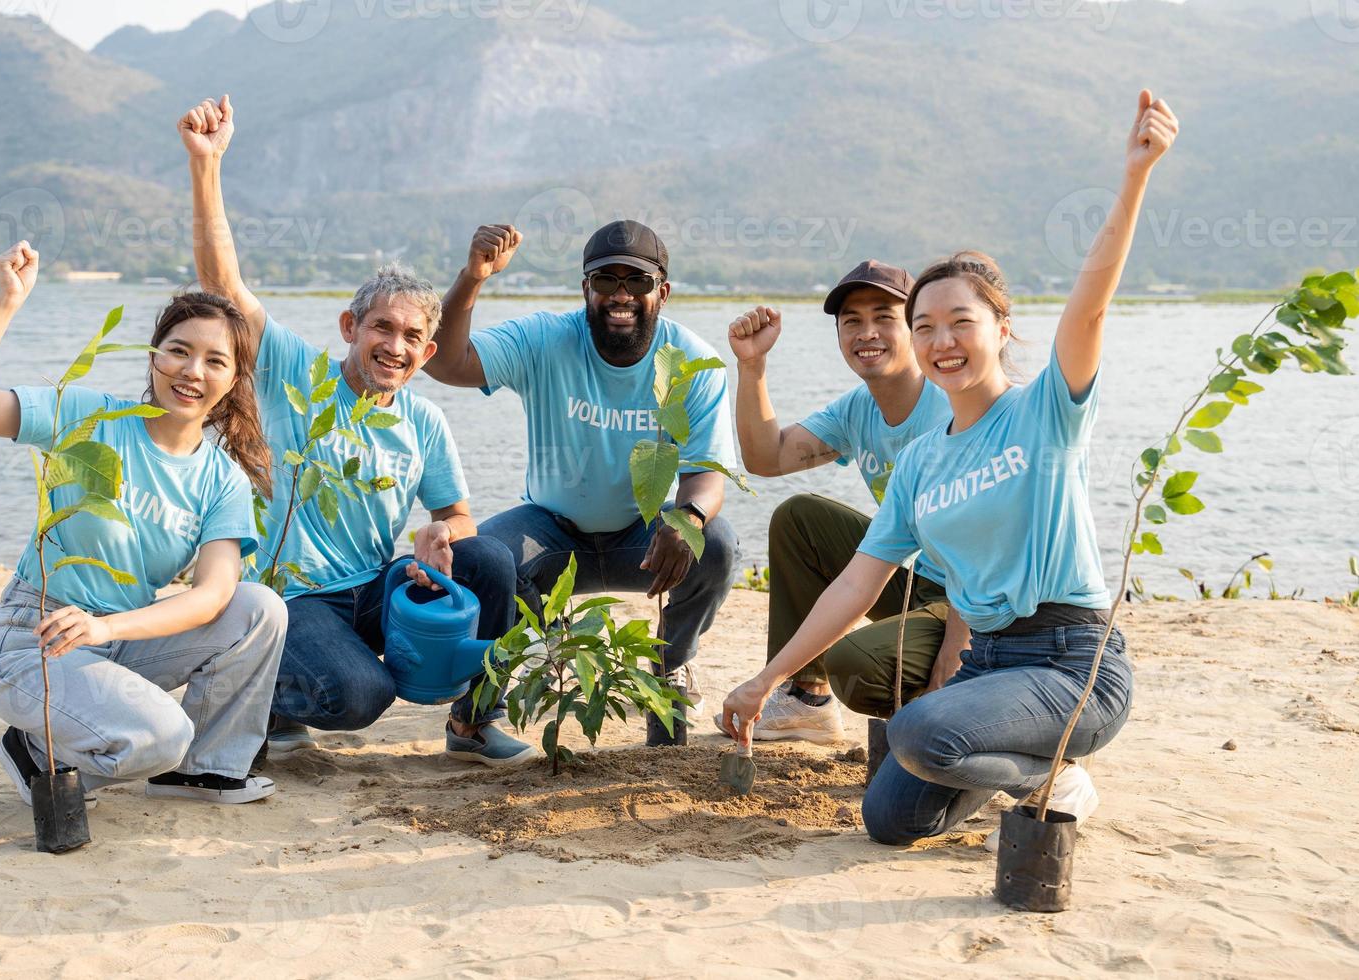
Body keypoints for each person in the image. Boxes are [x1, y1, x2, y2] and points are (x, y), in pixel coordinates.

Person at [722, 90, 1179, 844]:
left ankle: (1053, 771)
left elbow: (1090, 309)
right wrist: (766, 678)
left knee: (920, 733)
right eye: (925, 326)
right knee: (889, 820)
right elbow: (854, 584)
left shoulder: (1046, 413)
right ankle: (1013, 760)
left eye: (961, 322)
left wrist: (1134, 178)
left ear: (1001, 329)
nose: (942, 340)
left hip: (1070, 660)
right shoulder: (922, 461)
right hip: (989, 668)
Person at [180, 94, 537, 767]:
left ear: (428, 354)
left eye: (411, 337)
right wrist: (207, 165)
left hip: (377, 585)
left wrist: (442, 536)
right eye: (381, 327)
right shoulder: (295, 373)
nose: (394, 346)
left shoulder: (423, 420)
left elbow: (456, 516)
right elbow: (222, 284)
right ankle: (269, 698)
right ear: (351, 329)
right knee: (359, 698)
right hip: (297, 597)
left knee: (489, 557)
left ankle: (471, 725)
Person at [0, 242, 287, 805]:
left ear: (235, 377)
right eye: (179, 351)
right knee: (160, 735)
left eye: (215, 361)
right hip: (36, 638)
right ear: (153, 357)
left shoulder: (222, 479)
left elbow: (215, 595)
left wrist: (108, 629)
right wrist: (6, 304)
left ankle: (203, 771)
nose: (193, 372)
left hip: (118, 634)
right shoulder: (91, 418)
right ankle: (34, 752)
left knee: (260, 607)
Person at [424, 220, 740, 718]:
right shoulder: (545, 339)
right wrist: (472, 278)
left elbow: (707, 472)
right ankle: (488, 701)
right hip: (549, 531)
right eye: (605, 280)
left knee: (715, 544)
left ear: (663, 291)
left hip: (641, 540)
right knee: (480, 559)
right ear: (585, 288)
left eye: (636, 281)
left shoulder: (691, 361)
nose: (621, 295)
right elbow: (446, 363)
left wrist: (688, 521)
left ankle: (671, 662)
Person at [718, 261, 968, 744]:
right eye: (852, 320)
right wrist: (752, 367)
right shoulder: (858, 407)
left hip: (970, 597)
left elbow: (979, 560)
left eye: (884, 317)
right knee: (801, 518)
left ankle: (949, 707)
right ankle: (806, 701)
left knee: (857, 661)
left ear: (917, 327)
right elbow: (766, 458)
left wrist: (949, 670)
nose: (867, 332)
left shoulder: (950, 409)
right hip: (916, 579)